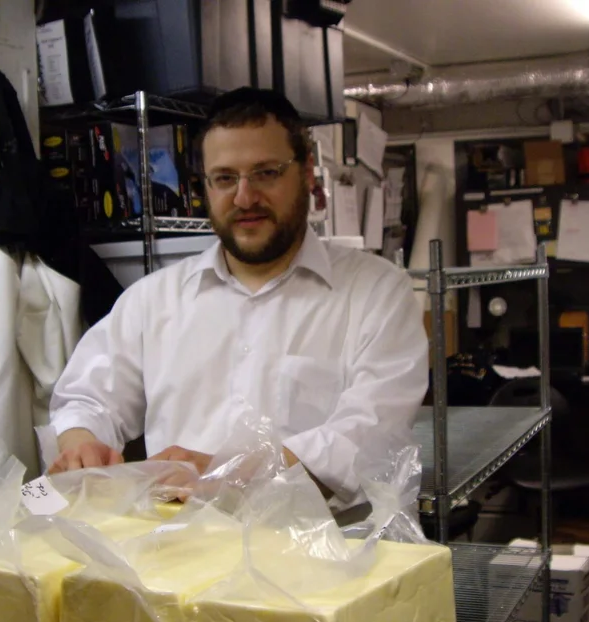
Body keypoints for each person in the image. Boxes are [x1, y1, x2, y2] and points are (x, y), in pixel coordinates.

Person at [48, 87, 428, 507]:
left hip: (330, 541)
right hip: (177, 535)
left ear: (306, 173)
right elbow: (87, 397)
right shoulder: (153, 300)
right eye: (225, 178)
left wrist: (230, 473)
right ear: (206, 185)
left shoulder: (378, 293)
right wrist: (83, 443)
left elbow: (370, 434)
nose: (245, 198)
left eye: (266, 173)